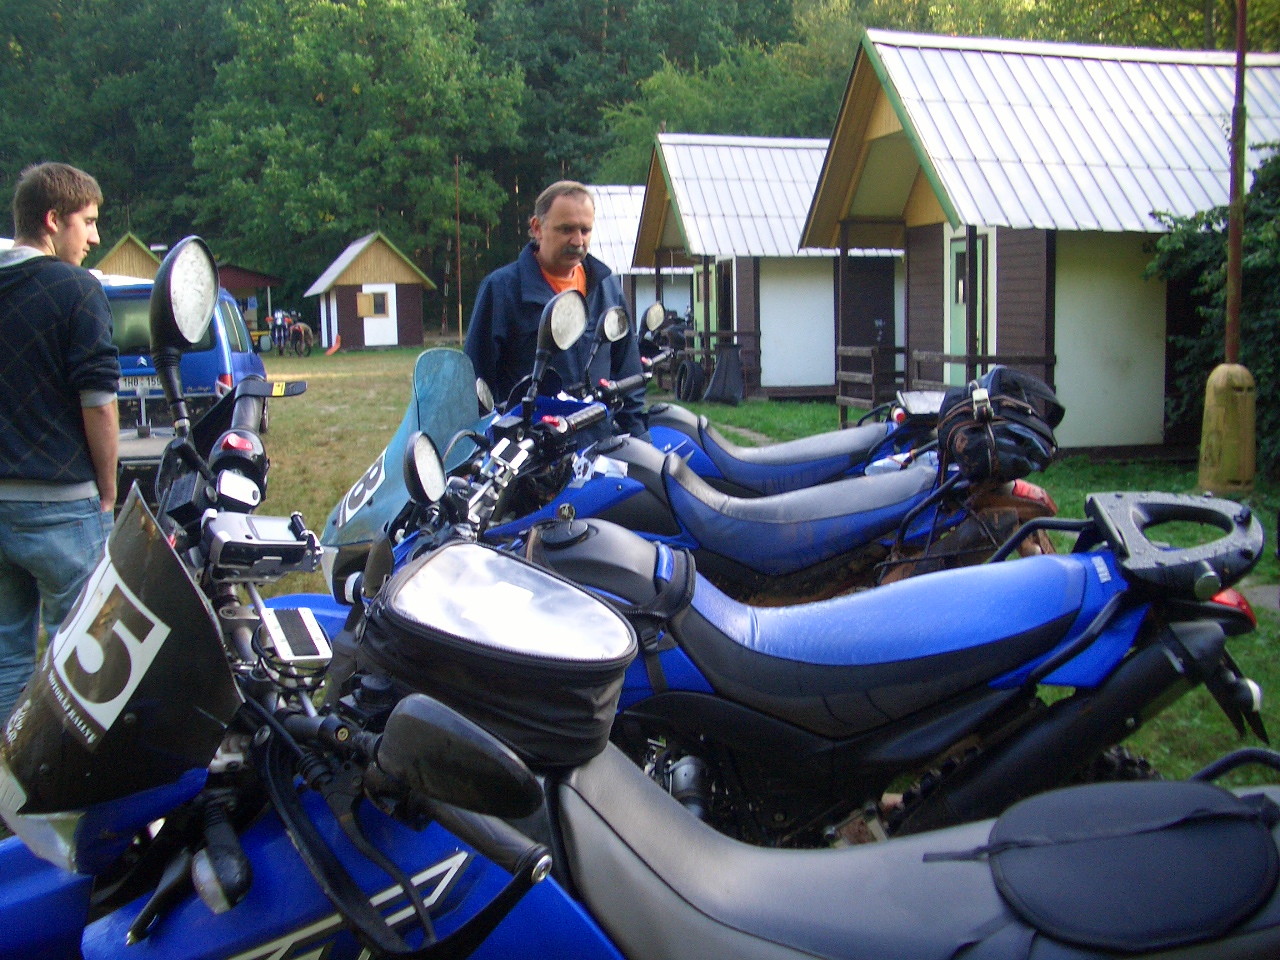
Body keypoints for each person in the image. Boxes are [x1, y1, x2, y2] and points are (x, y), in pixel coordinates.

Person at [0, 162, 119, 720]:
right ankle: (72, 771)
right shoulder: (77, 290)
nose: (94, 237)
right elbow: (99, 404)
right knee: (86, 662)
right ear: (53, 220)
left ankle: (11, 770)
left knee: (7, 658)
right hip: (62, 507)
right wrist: (109, 490)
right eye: (88, 222)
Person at [465, 180, 647, 436]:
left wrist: (639, 437)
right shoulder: (501, 290)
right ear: (537, 228)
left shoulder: (607, 288)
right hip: (534, 450)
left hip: (600, 446)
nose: (578, 240)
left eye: (585, 230)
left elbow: (628, 374)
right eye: (566, 229)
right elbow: (475, 384)